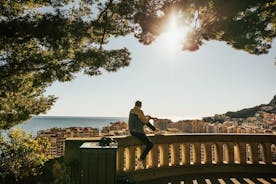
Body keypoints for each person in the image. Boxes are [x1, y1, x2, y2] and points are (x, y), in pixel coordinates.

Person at [128, 100, 157, 168]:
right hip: (138, 132)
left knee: (144, 121)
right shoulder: (140, 111)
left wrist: (151, 118)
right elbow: (145, 120)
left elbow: (143, 118)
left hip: (132, 131)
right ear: (140, 105)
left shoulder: (131, 110)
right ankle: (140, 159)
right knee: (150, 144)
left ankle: (154, 129)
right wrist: (154, 129)